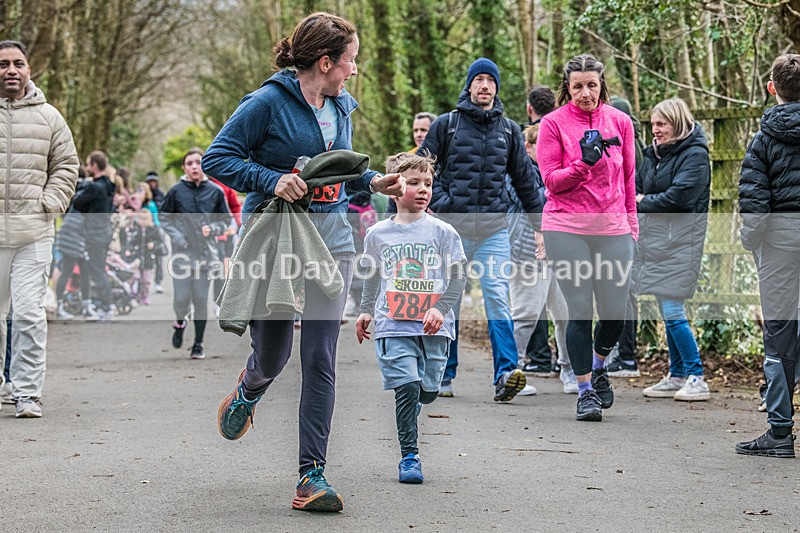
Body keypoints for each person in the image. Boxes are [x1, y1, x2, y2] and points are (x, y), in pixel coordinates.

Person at [201, 12, 404, 512]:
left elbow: (334, 169)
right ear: (325, 61)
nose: (354, 71)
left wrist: (371, 181)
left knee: (320, 358)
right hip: (277, 241)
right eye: (350, 61)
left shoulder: (341, 107)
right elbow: (216, 158)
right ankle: (249, 390)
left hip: (332, 240)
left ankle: (312, 475)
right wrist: (270, 179)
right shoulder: (266, 103)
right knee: (274, 356)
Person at [419, 57, 543, 402]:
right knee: (449, 303)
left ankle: (505, 374)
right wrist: (443, 202)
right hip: (451, 232)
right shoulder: (447, 125)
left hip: (494, 232)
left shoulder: (509, 131)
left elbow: (525, 182)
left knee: (498, 301)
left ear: (496, 88)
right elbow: (422, 168)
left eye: (491, 80)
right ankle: (444, 372)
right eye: (480, 79)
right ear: (470, 85)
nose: (485, 85)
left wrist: (540, 227)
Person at [536, 54, 638, 422]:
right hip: (566, 228)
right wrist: (584, 164)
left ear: (601, 85)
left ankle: (598, 367)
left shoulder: (621, 122)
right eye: (577, 86)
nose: (585, 93)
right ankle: (584, 392)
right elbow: (551, 182)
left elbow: (629, 180)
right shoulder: (553, 124)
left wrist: (633, 229)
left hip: (613, 228)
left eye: (591, 85)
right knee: (579, 309)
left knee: (615, 311)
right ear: (567, 87)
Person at [356, 152, 466, 483]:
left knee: (428, 390)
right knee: (407, 388)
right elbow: (372, 275)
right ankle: (409, 456)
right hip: (393, 325)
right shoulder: (377, 233)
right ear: (393, 188)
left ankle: (417, 403)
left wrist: (440, 308)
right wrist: (365, 308)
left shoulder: (443, 232)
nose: (423, 189)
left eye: (428, 183)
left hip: (435, 327)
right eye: (413, 183)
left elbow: (459, 277)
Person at [0, 40, 78, 417]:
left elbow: (66, 165)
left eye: (18, 63)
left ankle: (27, 393)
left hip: (33, 232)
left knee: (29, 313)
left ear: (30, 70)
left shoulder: (50, 117)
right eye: (3, 64)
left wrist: (48, 203)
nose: (11, 70)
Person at [736, 54, 800, 458]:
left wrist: (750, 239)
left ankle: (780, 432)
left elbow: (754, 201)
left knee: (778, 335)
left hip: (778, 245)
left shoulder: (763, 140)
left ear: (772, 88)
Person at [633, 98, 711, 401]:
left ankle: (696, 375)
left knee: (673, 311)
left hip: (682, 242)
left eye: (661, 124)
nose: (655, 130)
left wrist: (643, 203)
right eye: (653, 124)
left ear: (676, 123)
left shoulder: (694, 155)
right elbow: (639, 185)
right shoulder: (653, 155)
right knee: (667, 310)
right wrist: (643, 201)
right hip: (657, 241)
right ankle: (677, 374)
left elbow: (680, 198)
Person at [508, 125, 577, 396]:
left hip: (561, 251)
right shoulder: (519, 174)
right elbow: (529, 204)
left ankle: (570, 370)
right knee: (525, 315)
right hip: (528, 253)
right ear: (527, 147)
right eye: (542, 144)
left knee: (567, 314)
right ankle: (510, 371)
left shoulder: (559, 172)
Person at [160, 148, 230, 360]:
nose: (194, 167)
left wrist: (214, 229)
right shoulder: (176, 191)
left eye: (198, 162)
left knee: (201, 300)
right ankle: (180, 321)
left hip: (206, 255)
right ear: (184, 168)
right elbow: (165, 218)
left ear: (204, 166)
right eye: (189, 163)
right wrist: (179, 238)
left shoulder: (216, 192)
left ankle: (198, 344)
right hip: (182, 255)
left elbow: (225, 221)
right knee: (181, 299)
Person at [605, 95, 647, 378]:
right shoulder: (638, 143)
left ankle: (627, 355)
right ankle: (621, 352)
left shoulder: (625, 144)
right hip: (627, 224)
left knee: (624, 292)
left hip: (626, 225)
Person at [519, 85, 557, 376]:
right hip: (531, 243)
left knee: (558, 309)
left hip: (554, 240)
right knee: (532, 306)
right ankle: (523, 363)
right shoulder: (526, 169)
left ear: (530, 108)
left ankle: (559, 365)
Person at [72, 151, 117, 321]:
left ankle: (107, 307)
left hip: (94, 234)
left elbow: (77, 202)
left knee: (97, 271)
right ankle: (103, 305)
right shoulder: (109, 186)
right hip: (104, 232)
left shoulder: (93, 187)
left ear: (95, 166)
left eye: (89, 164)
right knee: (99, 269)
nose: (86, 167)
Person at [145, 172, 166, 293]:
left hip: (157, 226)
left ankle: (158, 281)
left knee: (158, 256)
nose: (152, 184)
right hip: (145, 227)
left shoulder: (160, 195)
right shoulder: (144, 196)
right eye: (150, 182)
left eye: (154, 182)